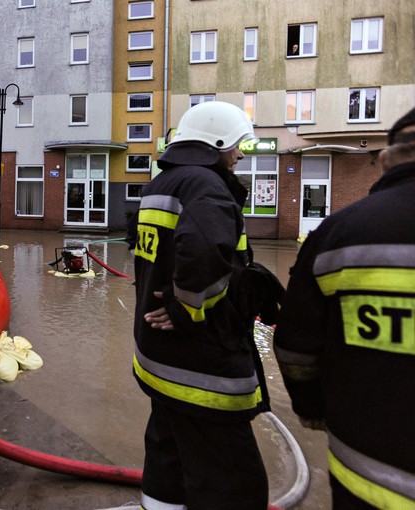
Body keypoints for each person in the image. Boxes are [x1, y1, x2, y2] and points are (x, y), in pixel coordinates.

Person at [127, 101, 277, 509]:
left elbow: (148, 251)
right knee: (234, 479)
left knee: (168, 452)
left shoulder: (161, 184)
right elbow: (204, 249)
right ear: (217, 142)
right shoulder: (207, 186)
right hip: (201, 365)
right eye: (237, 145)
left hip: (158, 357)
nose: (241, 154)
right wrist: (186, 309)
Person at [273, 106, 415, 509]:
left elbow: (294, 343)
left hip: (367, 473)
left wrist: (310, 405)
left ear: (385, 161)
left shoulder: (338, 232)